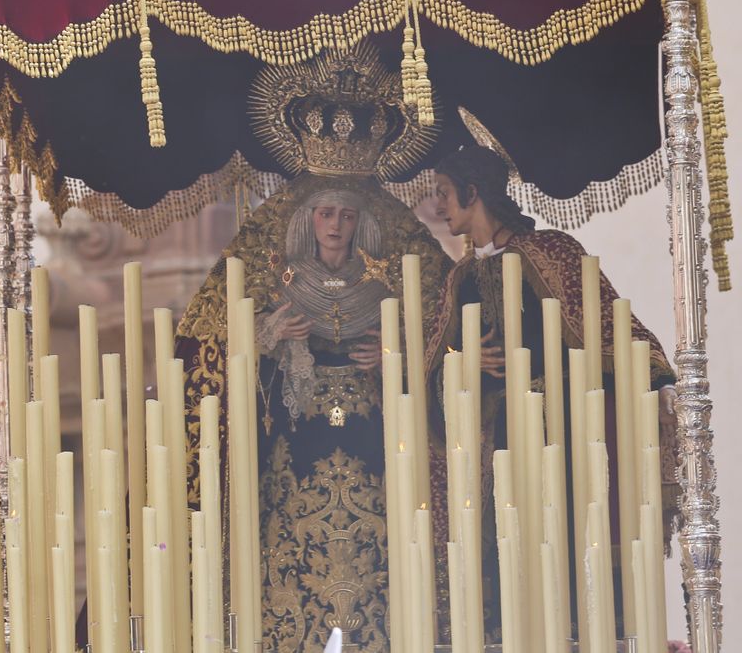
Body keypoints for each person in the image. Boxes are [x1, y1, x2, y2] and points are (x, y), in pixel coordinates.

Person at [175, 44, 455, 652]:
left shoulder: (394, 274)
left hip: (379, 449)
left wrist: (399, 356)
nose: (335, 225)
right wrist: (268, 339)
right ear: (309, 220)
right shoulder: (272, 272)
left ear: (363, 224)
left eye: (346, 217)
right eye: (325, 214)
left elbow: (449, 343)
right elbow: (210, 356)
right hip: (294, 450)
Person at [432, 144, 677, 635]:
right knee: (510, 559)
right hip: (500, 445)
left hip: (564, 433)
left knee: (573, 553)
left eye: (444, 194)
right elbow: (436, 368)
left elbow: (610, 324)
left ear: (473, 192)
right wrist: (464, 363)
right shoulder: (460, 278)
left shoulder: (551, 252)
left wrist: (659, 379)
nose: (438, 207)